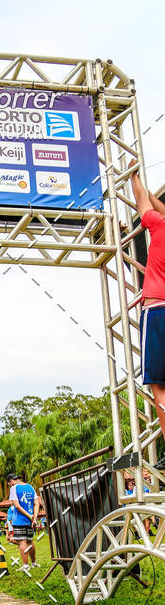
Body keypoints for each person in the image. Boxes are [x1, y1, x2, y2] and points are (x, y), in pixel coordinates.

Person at [129, 166, 165, 463]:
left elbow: (142, 203)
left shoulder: (161, 226)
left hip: (157, 310)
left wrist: (135, 179)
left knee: (159, 388)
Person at [6, 473, 40, 569]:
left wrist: (30, 516)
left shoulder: (14, 488)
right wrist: (34, 517)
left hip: (19, 520)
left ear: (11, 481)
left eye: (9, 484)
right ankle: (34, 563)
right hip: (30, 521)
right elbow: (36, 503)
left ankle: (26, 565)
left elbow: (17, 506)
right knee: (30, 541)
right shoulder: (30, 487)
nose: (10, 485)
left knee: (22, 542)